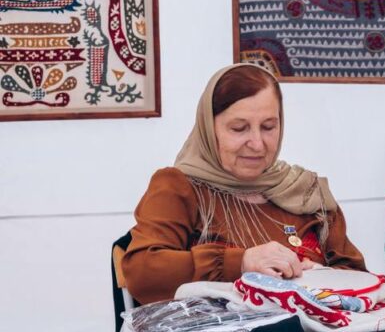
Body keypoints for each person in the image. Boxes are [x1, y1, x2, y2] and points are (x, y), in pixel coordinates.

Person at [123, 63, 365, 304]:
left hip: (312, 328)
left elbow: (359, 279)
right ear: (209, 128)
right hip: (217, 330)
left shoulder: (304, 192)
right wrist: (241, 262)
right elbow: (142, 272)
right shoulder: (180, 188)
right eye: (239, 128)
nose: (257, 144)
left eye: (269, 127)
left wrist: (322, 277)